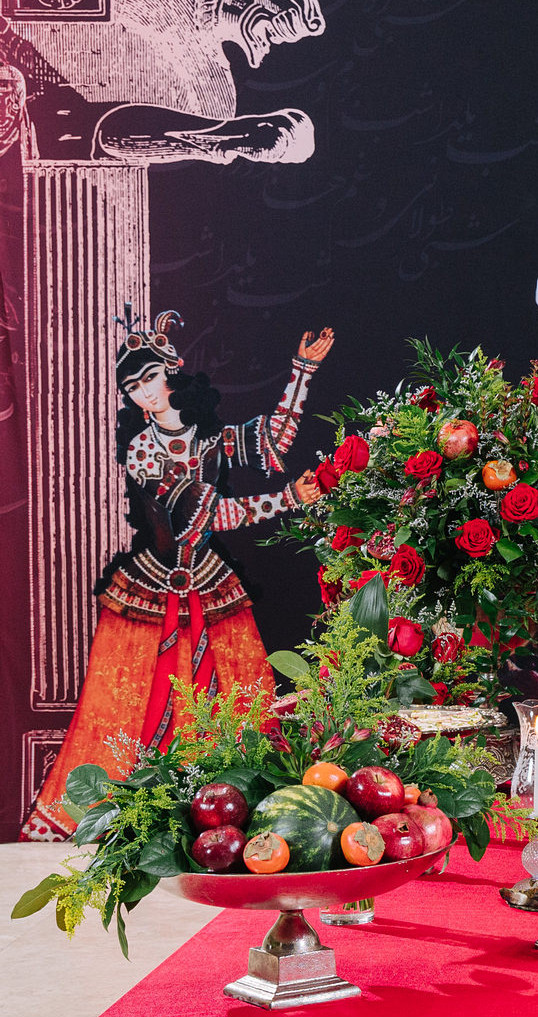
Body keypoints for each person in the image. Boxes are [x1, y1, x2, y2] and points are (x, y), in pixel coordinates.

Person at [23, 310, 330, 840]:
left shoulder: (209, 437)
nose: (143, 392)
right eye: (132, 387)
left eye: (148, 378)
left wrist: (303, 370)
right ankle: (132, 815)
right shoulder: (143, 451)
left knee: (238, 697)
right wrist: (287, 499)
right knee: (124, 704)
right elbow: (205, 515)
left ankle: (232, 812)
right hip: (154, 586)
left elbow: (274, 440)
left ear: (170, 372)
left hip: (207, 581)